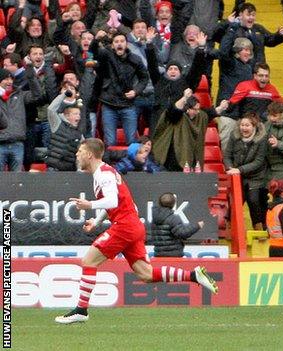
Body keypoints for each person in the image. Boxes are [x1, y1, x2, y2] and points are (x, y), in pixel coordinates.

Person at [55, 138, 217, 324]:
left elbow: (112, 201)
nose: (77, 154)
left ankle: (81, 310)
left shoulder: (103, 175)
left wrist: (89, 204)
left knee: (89, 261)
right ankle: (193, 275)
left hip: (124, 226)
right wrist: (97, 221)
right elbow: (120, 202)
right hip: (132, 225)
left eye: (80, 151)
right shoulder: (106, 172)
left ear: (90, 154)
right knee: (146, 274)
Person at [223, 112, 269, 230]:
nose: (244, 128)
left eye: (247, 125)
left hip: (255, 176)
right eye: (242, 125)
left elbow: (259, 161)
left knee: (254, 200)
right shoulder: (234, 136)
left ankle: (258, 228)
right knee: (234, 201)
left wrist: (239, 170)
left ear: (254, 126)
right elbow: (227, 155)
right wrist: (230, 168)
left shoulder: (262, 139)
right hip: (236, 175)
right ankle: (229, 227)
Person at [150, 192, 204, 257]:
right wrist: (197, 226)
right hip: (174, 255)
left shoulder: (154, 219)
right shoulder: (173, 219)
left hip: (158, 255)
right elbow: (183, 234)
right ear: (173, 204)